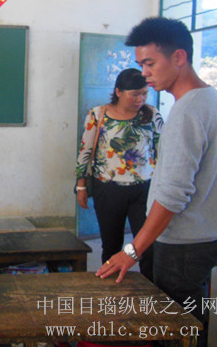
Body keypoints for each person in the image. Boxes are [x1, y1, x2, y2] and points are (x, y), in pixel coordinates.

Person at [96, 17, 217, 347]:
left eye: (150, 63)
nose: (144, 73)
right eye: (141, 64)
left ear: (179, 57)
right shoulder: (213, 100)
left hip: (184, 244)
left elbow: (173, 195)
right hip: (207, 234)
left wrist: (132, 250)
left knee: (173, 329)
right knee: (191, 320)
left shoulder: (187, 111)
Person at [76, 68, 163, 282]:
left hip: (145, 190)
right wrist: (81, 185)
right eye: (135, 94)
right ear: (118, 92)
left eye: (144, 93)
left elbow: (163, 151)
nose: (140, 99)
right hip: (108, 190)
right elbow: (86, 150)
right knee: (111, 245)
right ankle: (112, 290)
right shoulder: (98, 115)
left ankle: (151, 291)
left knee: (147, 246)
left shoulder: (152, 115)